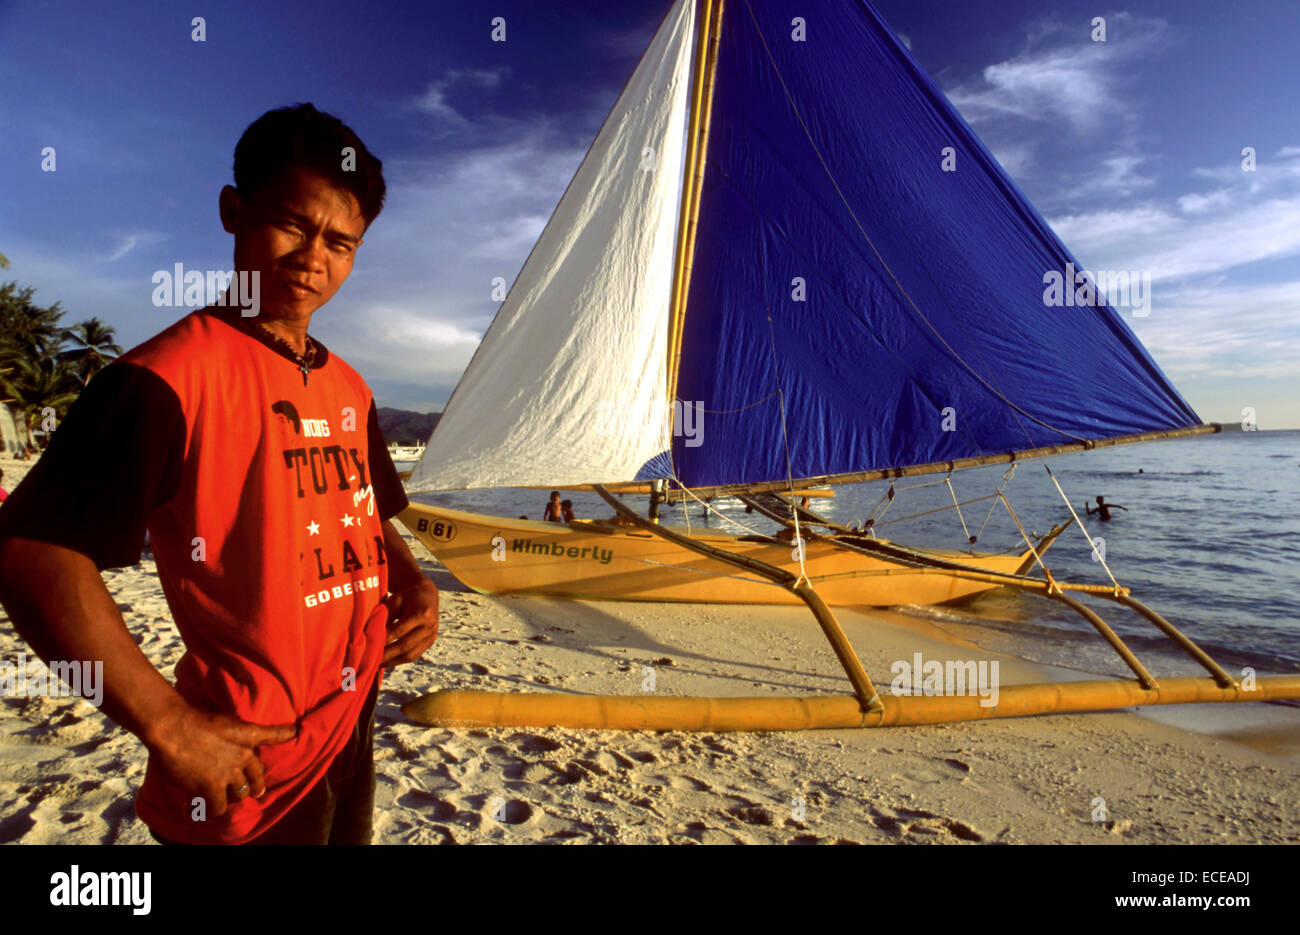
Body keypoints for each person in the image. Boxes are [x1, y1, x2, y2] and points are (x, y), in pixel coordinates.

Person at [0, 103, 439, 846]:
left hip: (351, 712)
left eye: (342, 243)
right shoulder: (165, 377)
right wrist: (168, 724)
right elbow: (33, 551)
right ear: (234, 211)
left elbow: (366, 508)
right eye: (294, 225)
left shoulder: (351, 388)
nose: (314, 258)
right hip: (249, 752)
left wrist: (414, 578)